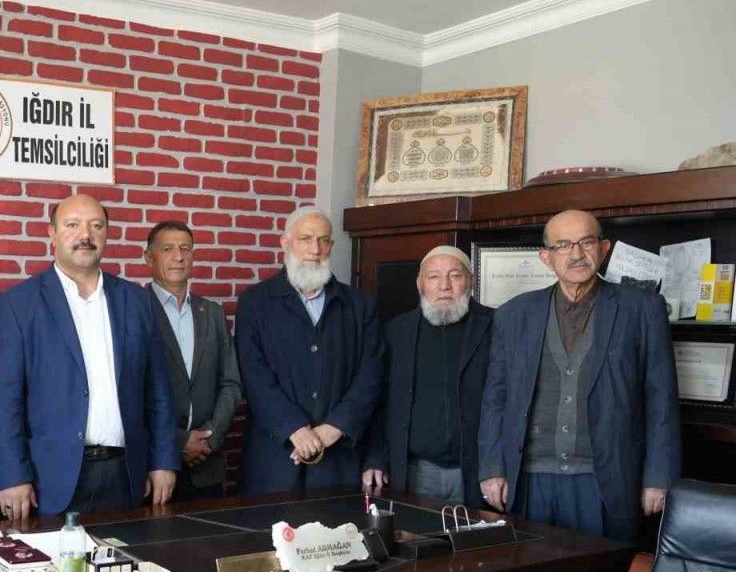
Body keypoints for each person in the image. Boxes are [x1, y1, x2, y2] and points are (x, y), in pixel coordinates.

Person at [479, 209, 680, 541]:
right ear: (546, 257)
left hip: (607, 478)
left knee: (603, 571)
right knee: (529, 569)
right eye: (562, 245)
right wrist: (491, 469)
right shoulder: (514, 314)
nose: (576, 254)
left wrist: (659, 477)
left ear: (604, 248)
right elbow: (495, 399)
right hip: (528, 478)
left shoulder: (642, 309)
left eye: (586, 242)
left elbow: (661, 399)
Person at [0, 194, 176, 525]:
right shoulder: (18, 305)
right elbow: (3, 401)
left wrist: (163, 461)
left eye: (96, 226)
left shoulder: (137, 300)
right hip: (49, 481)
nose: (85, 235)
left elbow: (158, 390)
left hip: (126, 475)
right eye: (72, 225)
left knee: (128, 557)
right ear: (52, 233)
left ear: (107, 233)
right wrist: (13, 475)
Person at [235, 205, 383, 494]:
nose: (315, 250)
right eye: (305, 239)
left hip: (339, 460)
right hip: (274, 460)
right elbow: (253, 375)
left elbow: (371, 375)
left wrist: (335, 427)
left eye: (323, 240)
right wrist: (294, 429)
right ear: (285, 242)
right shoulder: (255, 302)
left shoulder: (360, 305)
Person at [362, 246, 492, 504]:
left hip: (479, 471)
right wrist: (376, 457)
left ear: (471, 281)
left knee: (478, 531)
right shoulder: (397, 331)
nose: (444, 286)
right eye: (434, 277)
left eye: (455, 276)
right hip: (417, 471)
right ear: (420, 284)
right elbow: (380, 402)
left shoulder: (494, 326)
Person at [143, 220, 242, 501]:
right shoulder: (134, 310)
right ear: (149, 257)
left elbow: (231, 384)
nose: (178, 257)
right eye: (168, 249)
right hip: (153, 467)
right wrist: (179, 441)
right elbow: (126, 391)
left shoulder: (212, 313)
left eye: (185, 249)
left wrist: (209, 437)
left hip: (207, 466)